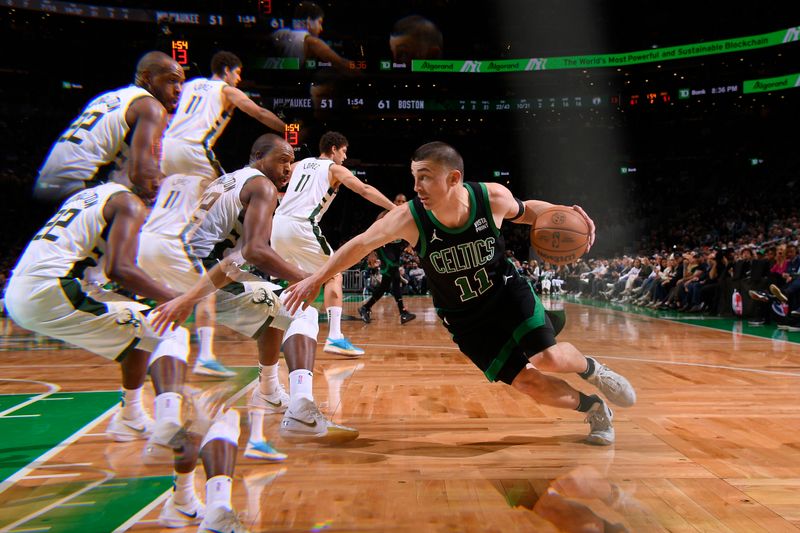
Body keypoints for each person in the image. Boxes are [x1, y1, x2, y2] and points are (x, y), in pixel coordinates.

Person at [286, 142, 636, 445]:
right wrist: (316, 278)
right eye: (414, 176)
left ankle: (594, 369)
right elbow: (360, 245)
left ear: (453, 178)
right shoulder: (408, 218)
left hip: (506, 293)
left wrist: (572, 215)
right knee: (528, 383)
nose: (416, 185)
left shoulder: (490, 197)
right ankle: (593, 408)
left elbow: (529, 211)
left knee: (549, 358)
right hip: (465, 319)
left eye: (425, 176)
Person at [142, 133, 359, 455]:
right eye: (282, 160)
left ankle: (263, 391)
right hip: (201, 269)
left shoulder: (227, 180)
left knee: (267, 315)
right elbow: (255, 250)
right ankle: (301, 409)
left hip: (176, 263)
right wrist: (306, 279)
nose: (288, 169)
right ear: (259, 156)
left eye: (290, 162)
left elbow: (237, 256)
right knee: (301, 308)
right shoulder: (262, 186)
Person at [272, 131, 396, 357]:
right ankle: (335, 337)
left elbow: (278, 175)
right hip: (301, 224)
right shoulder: (333, 169)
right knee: (334, 273)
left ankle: (280, 336)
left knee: (303, 281)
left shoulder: (299, 164)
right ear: (334, 149)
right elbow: (364, 190)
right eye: (344, 151)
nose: (345, 157)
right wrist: (393, 209)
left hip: (277, 224)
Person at [33, 51, 184, 203]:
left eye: (181, 83)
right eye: (172, 80)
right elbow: (144, 178)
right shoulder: (151, 107)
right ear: (146, 78)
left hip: (44, 186)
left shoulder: (106, 98)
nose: (178, 89)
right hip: (75, 189)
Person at [358, 193, 417, 325]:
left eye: (403, 201)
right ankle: (403, 312)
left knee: (386, 285)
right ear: (393, 201)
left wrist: (409, 245)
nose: (401, 203)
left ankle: (365, 307)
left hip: (395, 250)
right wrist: (372, 252)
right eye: (398, 201)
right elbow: (371, 233)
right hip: (384, 248)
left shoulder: (406, 215)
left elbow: (414, 229)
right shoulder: (385, 215)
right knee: (395, 275)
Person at [270, 1, 352, 71]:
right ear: (309, 20)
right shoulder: (311, 41)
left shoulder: (277, 34)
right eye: (319, 22)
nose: (321, 28)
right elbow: (340, 63)